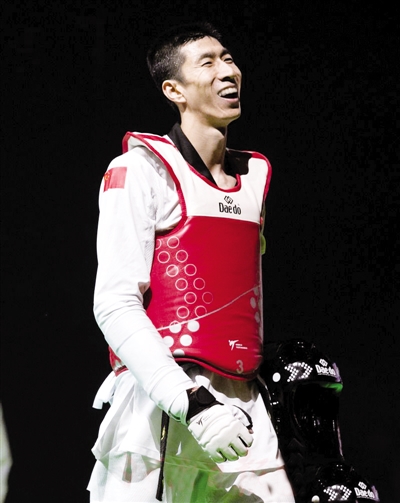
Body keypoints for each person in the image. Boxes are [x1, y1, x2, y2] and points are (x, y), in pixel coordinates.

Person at [88, 22, 295, 503]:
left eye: (229, 58)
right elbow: (114, 304)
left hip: (245, 409)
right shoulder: (139, 169)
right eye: (208, 62)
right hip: (159, 408)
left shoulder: (254, 179)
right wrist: (192, 403)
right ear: (174, 90)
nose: (228, 71)